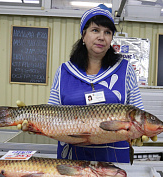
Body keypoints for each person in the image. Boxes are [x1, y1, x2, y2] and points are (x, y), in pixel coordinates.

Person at [48, 4, 144, 163]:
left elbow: (137, 111)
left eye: (107, 32)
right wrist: (31, 122)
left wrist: (143, 131)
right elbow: (51, 115)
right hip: (72, 159)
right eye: (95, 30)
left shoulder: (125, 70)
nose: (102, 37)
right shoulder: (64, 71)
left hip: (114, 159)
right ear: (83, 35)